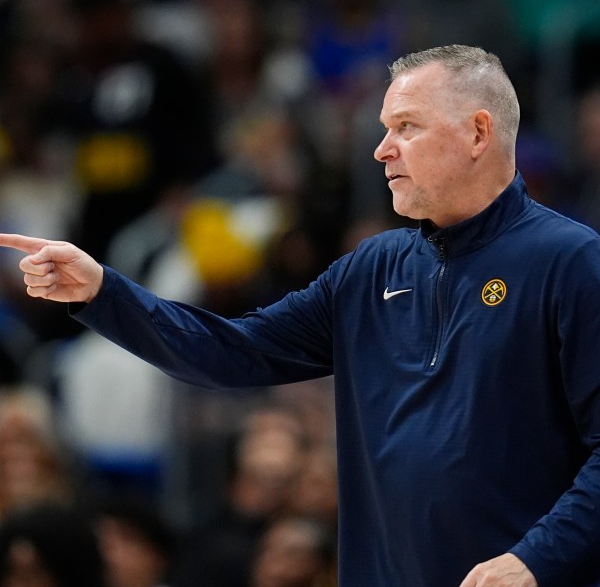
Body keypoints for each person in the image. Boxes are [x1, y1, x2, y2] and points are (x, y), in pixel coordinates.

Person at [2, 44, 600, 586]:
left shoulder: (571, 262)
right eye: (383, 128)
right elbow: (235, 352)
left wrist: (534, 561)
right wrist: (103, 292)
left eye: (405, 127)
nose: (381, 148)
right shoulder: (373, 268)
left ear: (477, 133)